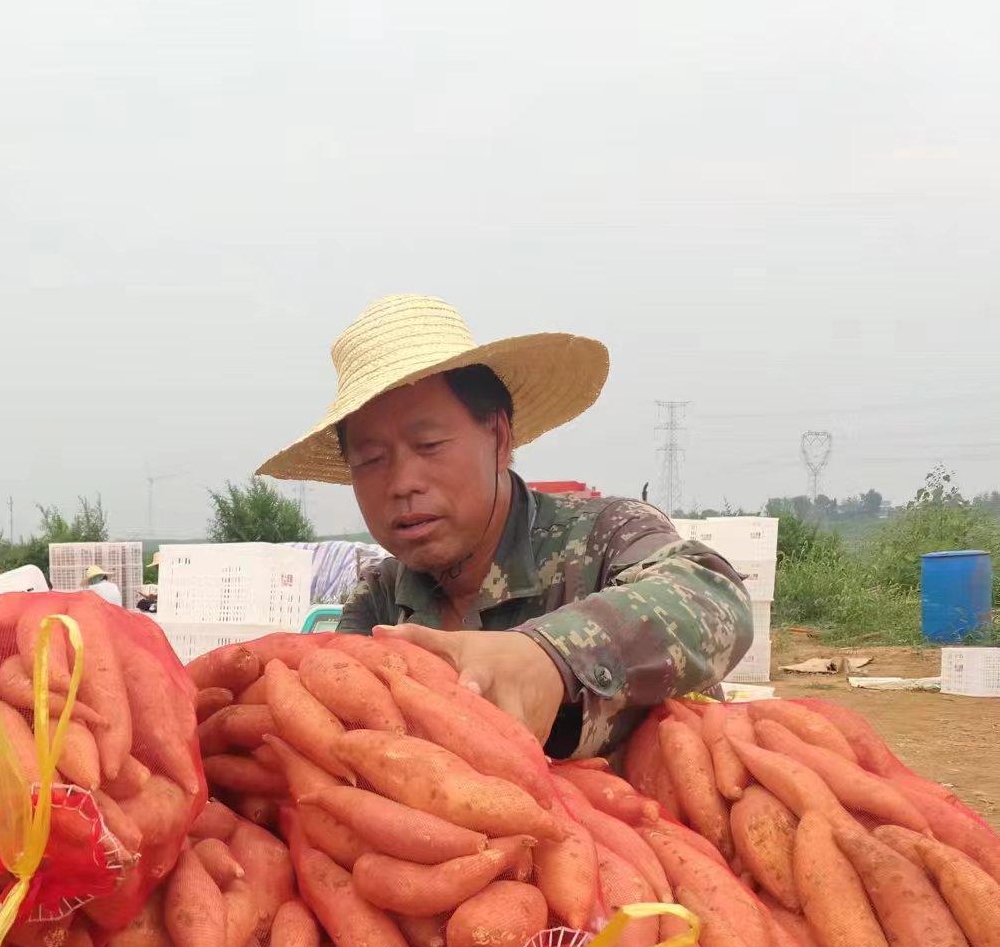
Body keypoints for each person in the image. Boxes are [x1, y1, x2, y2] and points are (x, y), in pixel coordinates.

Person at [256, 294, 752, 758]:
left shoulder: (603, 536)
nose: (402, 483)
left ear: (497, 437)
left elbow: (711, 594)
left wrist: (550, 657)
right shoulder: (380, 601)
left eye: (429, 446)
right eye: (370, 459)